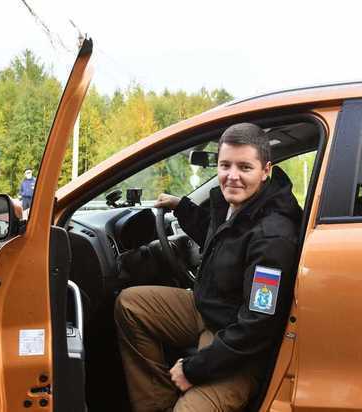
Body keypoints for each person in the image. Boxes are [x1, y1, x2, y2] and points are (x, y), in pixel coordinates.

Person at [115, 123, 302, 411]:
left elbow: (257, 327)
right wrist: (182, 207)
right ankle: (159, 405)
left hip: (239, 346)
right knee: (130, 306)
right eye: (225, 165)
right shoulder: (240, 205)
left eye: (245, 167)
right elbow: (220, 237)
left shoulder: (272, 236)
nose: (232, 176)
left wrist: (192, 369)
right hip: (210, 309)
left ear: (266, 170)